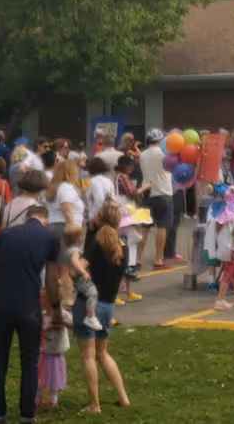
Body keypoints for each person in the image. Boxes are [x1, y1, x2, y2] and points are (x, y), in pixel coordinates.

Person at [0, 202, 60, 424]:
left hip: (1, 304)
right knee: (29, 361)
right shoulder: (50, 238)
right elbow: (50, 279)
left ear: (27, 217)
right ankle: (27, 413)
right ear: (45, 220)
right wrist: (54, 307)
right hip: (28, 305)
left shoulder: (8, 234)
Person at [76, 204, 130, 413]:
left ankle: (94, 404)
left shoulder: (96, 242)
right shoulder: (122, 246)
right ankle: (123, 396)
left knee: (88, 356)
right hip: (108, 305)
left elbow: (80, 266)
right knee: (102, 353)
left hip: (89, 304)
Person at [140, 130, 181, 268]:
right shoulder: (165, 155)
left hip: (146, 192)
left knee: (144, 227)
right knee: (162, 227)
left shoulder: (143, 154)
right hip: (163, 192)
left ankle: (137, 259)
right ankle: (158, 259)